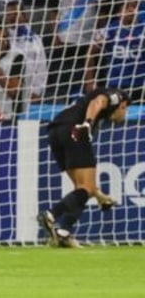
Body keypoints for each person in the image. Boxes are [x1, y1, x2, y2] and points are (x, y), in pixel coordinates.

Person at [39, 88, 130, 248]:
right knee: (85, 188)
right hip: (75, 130)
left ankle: (63, 234)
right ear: (123, 105)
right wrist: (87, 123)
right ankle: (52, 214)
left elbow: (88, 189)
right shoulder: (118, 96)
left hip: (56, 131)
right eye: (126, 110)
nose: (124, 115)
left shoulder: (85, 106)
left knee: (82, 189)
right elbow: (98, 102)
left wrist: (100, 195)